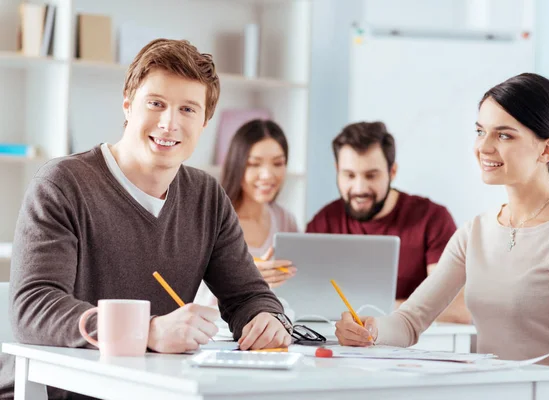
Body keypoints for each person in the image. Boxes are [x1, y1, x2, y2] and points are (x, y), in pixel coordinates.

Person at [0, 39, 293, 399]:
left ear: (205, 122)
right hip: (53, 391)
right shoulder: (62, 184)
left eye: (188, 109)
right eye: (156, 104)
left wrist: (268, 319)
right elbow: (34, 307)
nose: (169, 123)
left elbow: (248, 295)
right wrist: (146, 332)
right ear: (127, 104)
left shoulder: (207, 197)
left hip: (150, 389)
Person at [334, 73, 549, 400]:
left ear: (547, 149)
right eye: (480, 131)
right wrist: (369, 330)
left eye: (504, 135)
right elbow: (408, 323)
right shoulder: (476, 232)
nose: (483, 147)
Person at [306, 121, 470, 323]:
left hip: (415, 346)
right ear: (337, 170)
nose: (359, 188)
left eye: (371, 175)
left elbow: (458, 309)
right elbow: (304, 300)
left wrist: (382, 310)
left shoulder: (432, 218)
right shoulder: (324, 222)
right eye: (349, 175)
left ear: (392, 172)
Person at [195, 119, 298, 307]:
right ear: (237, 165)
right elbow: (193, 296)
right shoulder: (211, 219)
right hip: (215, 329)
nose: (267, 175)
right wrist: (244, 280)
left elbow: (296, 289)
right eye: (254, 164)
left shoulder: (285, 220)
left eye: (278, 163)